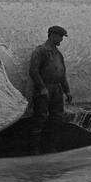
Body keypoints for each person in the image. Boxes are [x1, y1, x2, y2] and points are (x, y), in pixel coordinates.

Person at [29, 26, 73, 155]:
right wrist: (42, 88)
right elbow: (33, 71)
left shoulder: (58, 54)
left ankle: (50, 147)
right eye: (60, 36)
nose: (61, 39)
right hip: (44, 88)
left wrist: (67, 91)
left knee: (56, 118)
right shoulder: (41, 51)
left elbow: (62, 74)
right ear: (52, 35)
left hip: (57, 89)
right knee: (40, 118)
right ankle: (34, 150)